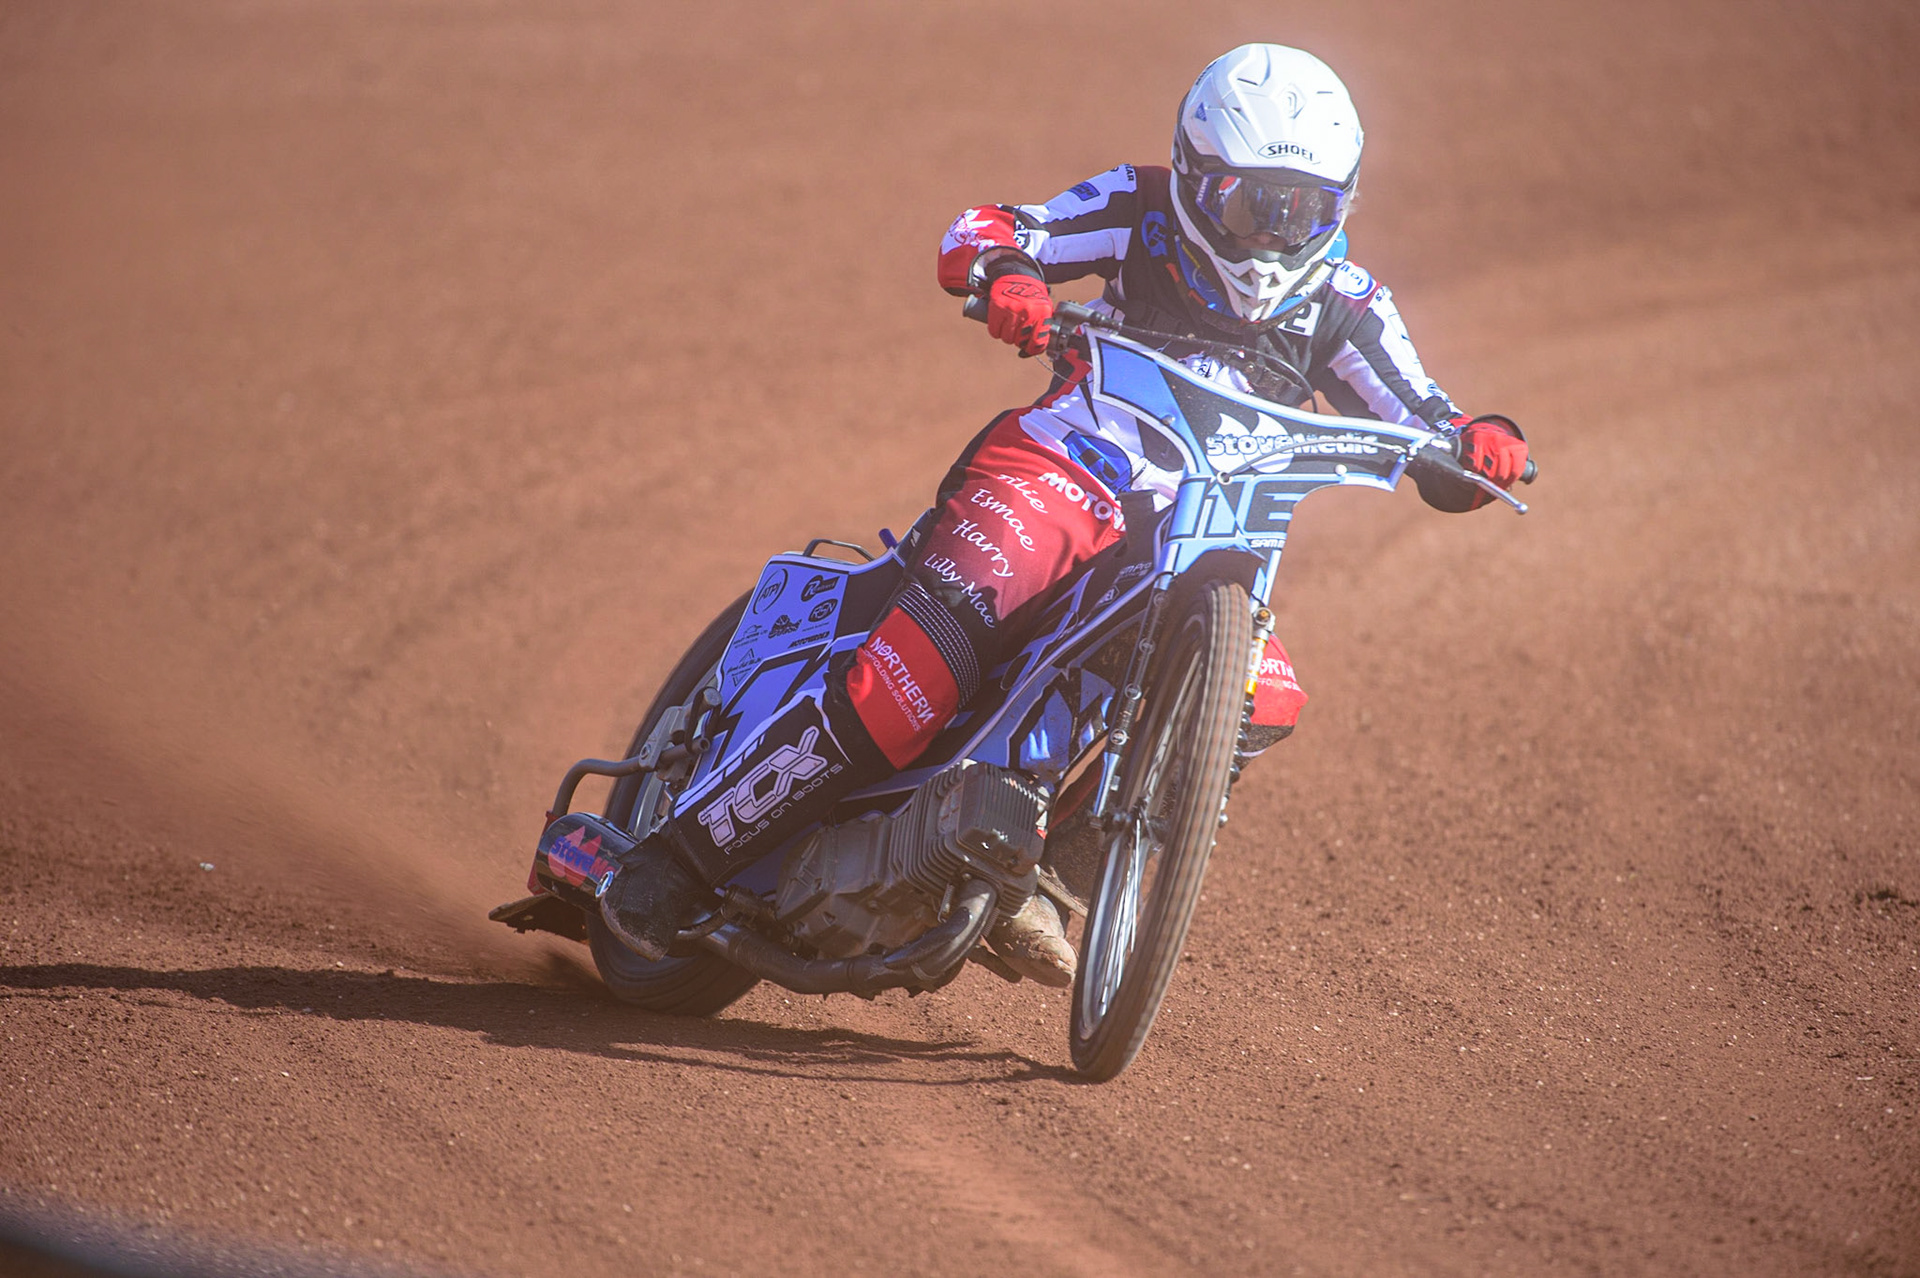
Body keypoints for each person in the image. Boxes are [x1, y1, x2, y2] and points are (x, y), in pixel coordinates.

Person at [599, 43, 1528, 985]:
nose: (1275, 238)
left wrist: (1482, 441)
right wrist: (1008, 274)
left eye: (1308, 209)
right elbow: (992, 225)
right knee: (915, 679)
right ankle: (674, 861)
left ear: (1342, 204)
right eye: (1255, 203)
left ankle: (1047, 878)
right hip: (1066, 467)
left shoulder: (1348, 301)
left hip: (1206, 540)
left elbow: (1431, 420)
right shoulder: (1140, 207)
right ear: (1200, 177)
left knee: (1263, 692)